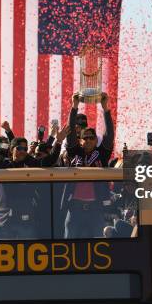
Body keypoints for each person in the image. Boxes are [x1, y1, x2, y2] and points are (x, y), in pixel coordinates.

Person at [60, 92, 115, 238]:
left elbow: (109, 136)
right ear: (80, 141)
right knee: (70, 244)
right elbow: (70, 131)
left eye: (92, 138)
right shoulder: (75, 151)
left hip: (96, 208)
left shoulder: (101, 154)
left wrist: (105, 108)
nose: (89, 140)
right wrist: (74, 106)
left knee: (97, 244)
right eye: (86, 138)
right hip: (75, 208)